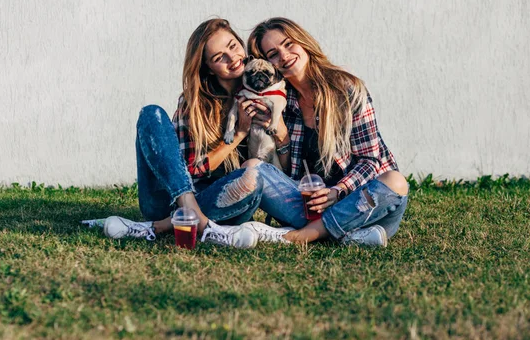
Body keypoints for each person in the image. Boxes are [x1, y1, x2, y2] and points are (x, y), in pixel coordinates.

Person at [239, 17, 409, 247]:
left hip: (361, 204)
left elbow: (370, 160)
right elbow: (287, 173)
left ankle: (303, 235)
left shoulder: (347, 90)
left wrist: (337, 192)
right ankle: (345, 236)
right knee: (251, 169)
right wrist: (281, 136)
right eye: (273, 54)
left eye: (289, 44)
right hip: (310, 208)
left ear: (303, 42)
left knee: (396, 181)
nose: (284, 55)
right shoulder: (279, 102)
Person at [103, 18, 266, 248]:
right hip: (169, 199)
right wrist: (239, 134)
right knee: (151, 114)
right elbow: (187, 170)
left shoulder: (260, 90)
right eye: (219, 58)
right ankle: (200, 223)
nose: (232, 58)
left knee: (254, 179)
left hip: (221, 200)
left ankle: (159, 227)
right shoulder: (194, 103)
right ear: (208, 67)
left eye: (233, 46)